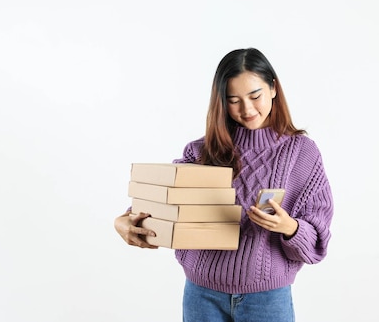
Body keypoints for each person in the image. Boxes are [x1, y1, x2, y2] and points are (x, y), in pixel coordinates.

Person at [114, 48, 333, 322]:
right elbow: (164, 202)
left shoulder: (302, 152)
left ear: (274, 88)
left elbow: (318, 237)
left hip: (268, 298)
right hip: (202, 294)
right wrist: (123, 221)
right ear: (222, 102)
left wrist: (289, 227)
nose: (248, 109)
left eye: (256, 96)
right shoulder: (203, 150)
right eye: (234, 100)